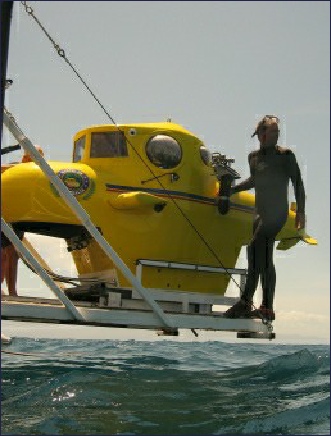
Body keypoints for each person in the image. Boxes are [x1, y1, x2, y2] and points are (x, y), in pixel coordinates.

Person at [224, 115, 306, 320]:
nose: (277, 135)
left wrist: (301, 212)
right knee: (264, 259)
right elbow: (254, 180)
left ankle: (244, 302)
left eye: (278, 132)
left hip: (277, 214)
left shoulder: (286, 156)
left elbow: (298, 183)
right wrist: (232, 190)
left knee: (253, 249)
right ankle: (267, 308)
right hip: (259, 215)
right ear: (261, 134)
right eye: (273, 132)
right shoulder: (253, 158)